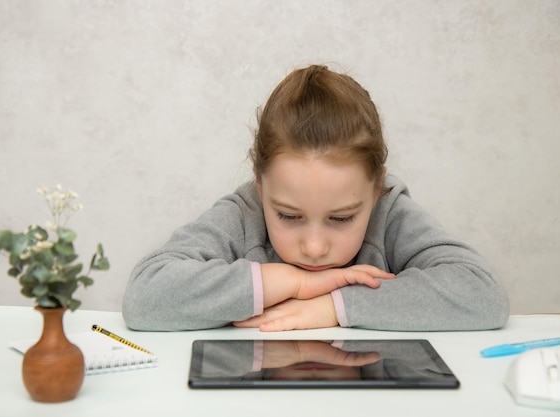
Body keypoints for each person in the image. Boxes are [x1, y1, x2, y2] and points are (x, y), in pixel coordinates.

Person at [122, 64, 509, 332]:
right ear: (260, 187)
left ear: (376, 191)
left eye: (341, 219)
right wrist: (288, 282)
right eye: (289, 216)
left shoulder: (388, 214)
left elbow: (482, 293)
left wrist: (332, 306)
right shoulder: (244, 214)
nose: (314, 246)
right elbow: (145, 296)